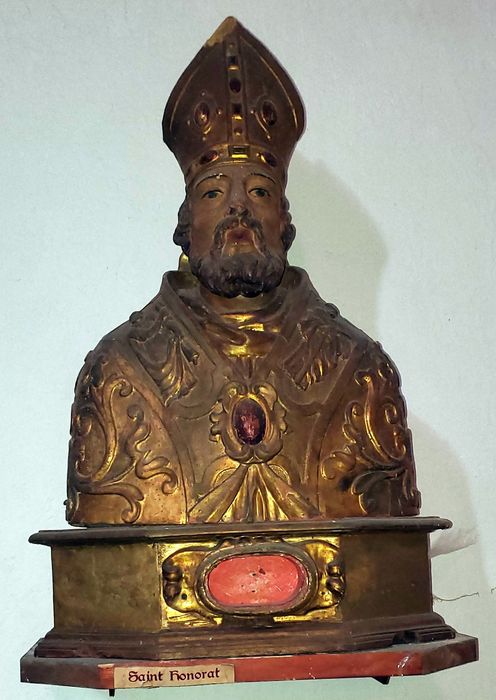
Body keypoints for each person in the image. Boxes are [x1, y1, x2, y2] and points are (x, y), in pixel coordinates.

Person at [66, 18, 419, 526]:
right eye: (214, 192)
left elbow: (392, 559)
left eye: (259, 191)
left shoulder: (359, 371)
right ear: (185, 225)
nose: (239, 209)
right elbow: (99, 565)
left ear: (284, 221)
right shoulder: (120, 371)